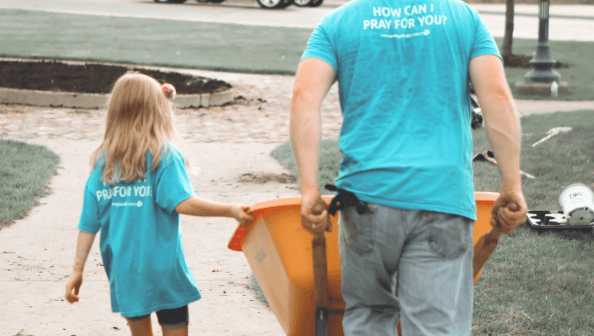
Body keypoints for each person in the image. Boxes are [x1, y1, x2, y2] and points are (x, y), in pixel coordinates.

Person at [289, 0, 528, 334]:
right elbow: (497, 98)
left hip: (365, 198)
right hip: (441, 197)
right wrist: (512, 185)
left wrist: (310, 190)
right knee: (435, 325)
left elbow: (303, 97)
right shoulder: (462, 18)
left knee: (369, 314)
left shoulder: (338, 23)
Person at [64, 73, 254, 336]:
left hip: (124, 269)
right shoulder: (164, 156)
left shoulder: (102, 164)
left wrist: (77, 270)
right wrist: (229, 209)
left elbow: (88, 223)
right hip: (164, 269)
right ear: (157, 109)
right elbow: (183, 203)